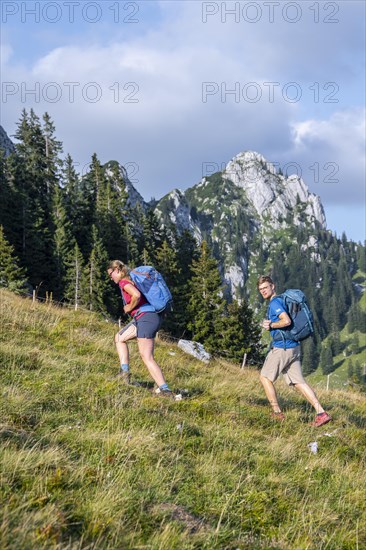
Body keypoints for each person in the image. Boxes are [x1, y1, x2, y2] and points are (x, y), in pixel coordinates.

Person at [257, 275, 331, 427]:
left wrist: (271, 325)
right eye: (260, 289)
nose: (263, 291)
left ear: (273, 286)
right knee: (298, 382)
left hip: (283, 348)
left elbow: (286, 321)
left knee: (265, 377)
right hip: (294, 347)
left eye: (265, 287)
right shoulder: (282, 301)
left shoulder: (275, 302)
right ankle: (321, 413)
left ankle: (277, 413)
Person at [107, 260, 175, 399]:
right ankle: (124, 373)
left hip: (146, 318)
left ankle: (165, 390)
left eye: (111, 273)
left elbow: (136, 296)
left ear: (118, 270)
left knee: (146, 356)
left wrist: (128, 307)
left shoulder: (124, 283)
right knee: (119, 338)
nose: (111, 277)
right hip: (143, 318)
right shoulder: (132, 280)